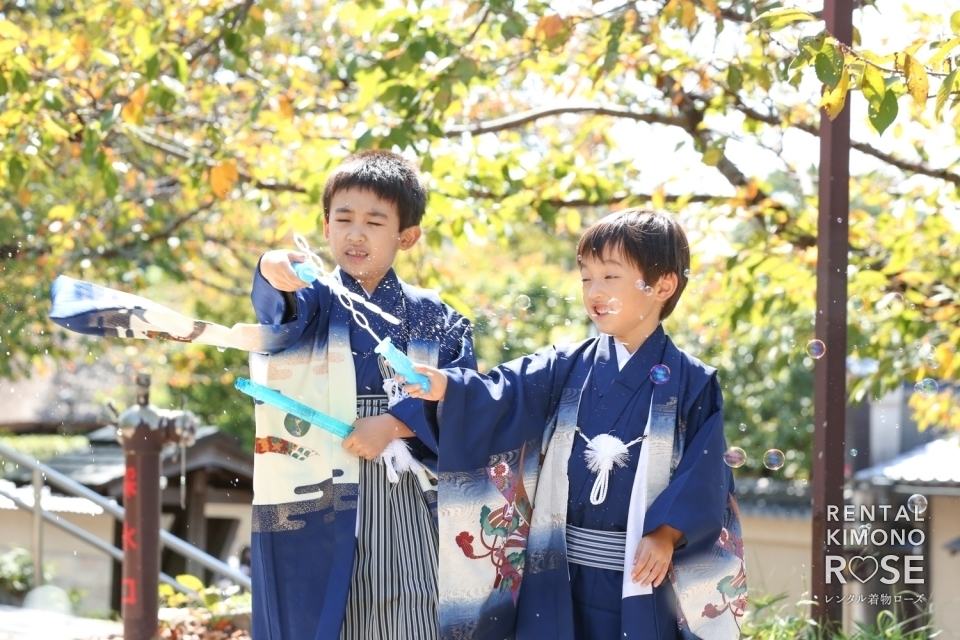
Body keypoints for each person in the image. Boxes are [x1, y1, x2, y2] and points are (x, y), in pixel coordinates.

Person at [406, 209, 746, 640]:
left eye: (610, 277)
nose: (594, 292)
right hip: (557, 567)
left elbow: (705, 474)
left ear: (662, 285)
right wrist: (450, 389)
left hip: (641, 574)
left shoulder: (694, 382)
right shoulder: (564, 366)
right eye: (586, 278)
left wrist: (667, 533)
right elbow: (501, 393)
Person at [249, 149, 476, 640]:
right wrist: (270, 268)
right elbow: (274, 312)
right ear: (325, 228)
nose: (356, 233)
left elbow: (463, 386)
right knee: (330, 607)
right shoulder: (310, 302)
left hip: (407, 479)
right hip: (319, 473)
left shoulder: (434, 314)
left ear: (406, 236)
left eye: (375, 221)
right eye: (343, 218)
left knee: (413, 597)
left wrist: (395, 423)